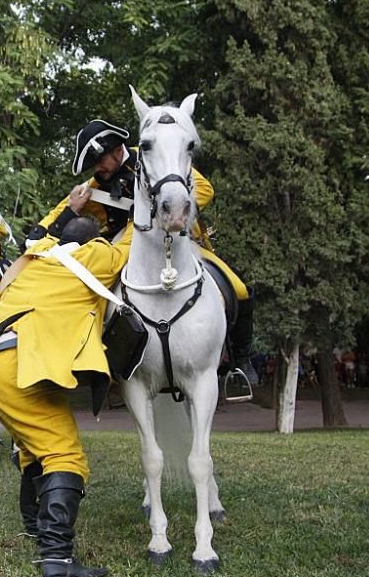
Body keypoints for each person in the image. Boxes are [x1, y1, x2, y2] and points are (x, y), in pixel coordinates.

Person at [27, 119, 259, 385]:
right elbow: (59, 213)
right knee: (94, 293)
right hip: (125, 249)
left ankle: (241, 362)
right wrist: (53, 223)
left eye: (101, 161)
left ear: (116, 151)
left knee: (239, 290)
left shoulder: (156, 160)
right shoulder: (94, 188)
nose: (98, 169)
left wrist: (168, 212)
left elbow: (205, 189)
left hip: (180, 242)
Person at [0, 213, 129, 577]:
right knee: (64, 454)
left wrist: (69, 206)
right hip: (18, 365)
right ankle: (56, 560)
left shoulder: (36, 258)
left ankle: (35, 529)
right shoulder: (96, 255)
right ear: (91, 242)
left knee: (34, 446)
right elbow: (132, 244)